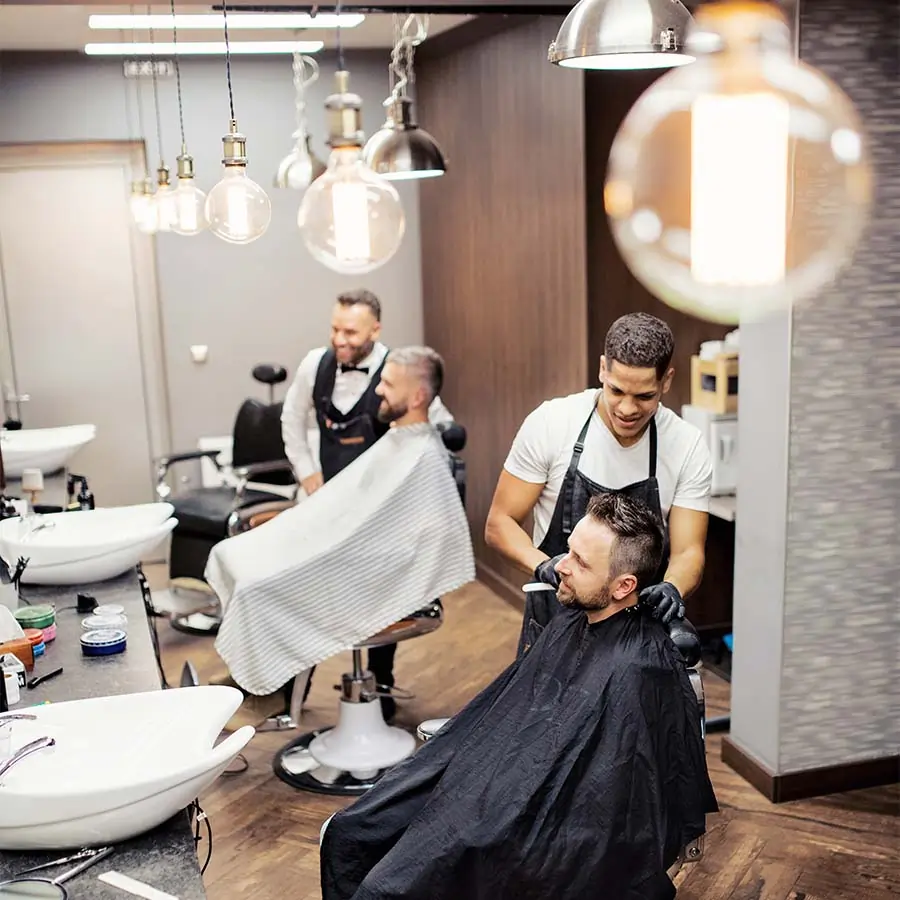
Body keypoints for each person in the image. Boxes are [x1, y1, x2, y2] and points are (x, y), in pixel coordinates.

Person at [320, 491, 718, 900]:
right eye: (568, 551)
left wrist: (501, 809)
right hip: (498, 782)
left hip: (535, 827)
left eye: (580, 562)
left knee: (386, 889)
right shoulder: (573, 621)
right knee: (351, 833)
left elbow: (610, 803)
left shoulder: (639, 668)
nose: (560, 566)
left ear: (624, 586)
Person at [209, 346, 475, 716]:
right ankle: (256, 680)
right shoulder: (398, 440)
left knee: (260, 586)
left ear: (416, 397)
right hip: (350, 544)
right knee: (233, 554)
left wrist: (324, 548)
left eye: (388, 383)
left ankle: (267, 693)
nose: (378, 390)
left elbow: (415, 539)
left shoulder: (423, 456)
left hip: (372, 566)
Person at [484, 311, 712, 653]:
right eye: (616, 390)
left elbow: (688, 550)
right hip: (554, 621)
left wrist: (673, 586)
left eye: (644, 396)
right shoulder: (552, 423)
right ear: (603, 368)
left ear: (667, 381)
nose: (627, 408)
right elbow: (499, 524)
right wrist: (543, 565)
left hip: (639, 633)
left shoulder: (686, 444)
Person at [281, 292, 454, 716]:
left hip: (380, 512)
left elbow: (438, 418)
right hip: (326, 503)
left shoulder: (398, 373)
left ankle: (380, 682)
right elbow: (291, 420)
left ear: (376, 330)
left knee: (381, 597)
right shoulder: (313, 365)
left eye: (350, 331)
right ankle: (288, 692)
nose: (339, 339)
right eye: (334, 328)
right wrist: (307, 475)